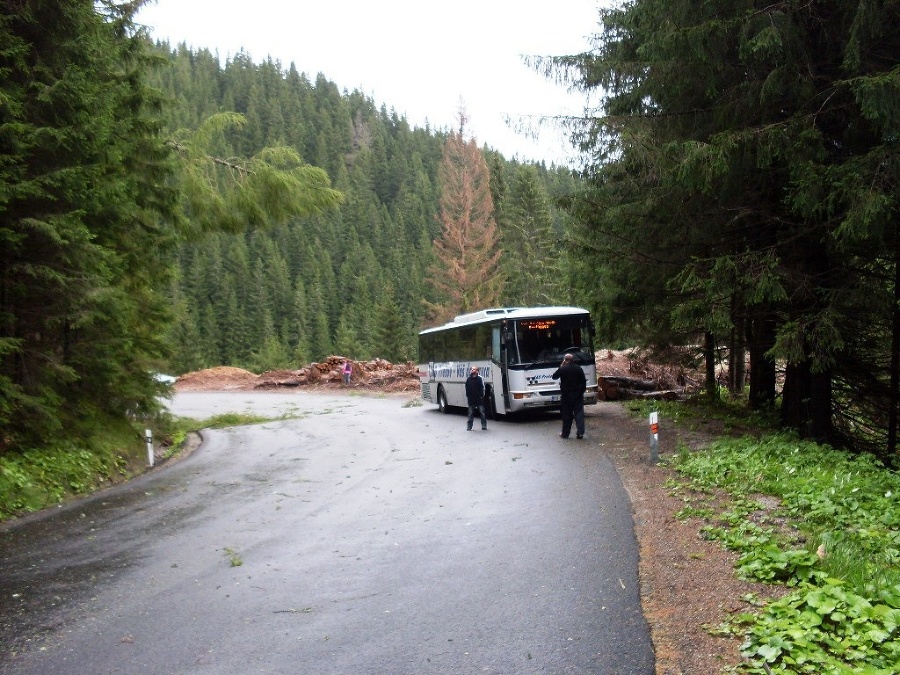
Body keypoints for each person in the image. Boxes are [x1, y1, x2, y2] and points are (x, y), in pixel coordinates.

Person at [552, 353, 586, 439]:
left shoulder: (563, 369)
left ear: (565, 360)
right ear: (573, 360)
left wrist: (561, 366)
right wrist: (581, 391)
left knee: (567, 414)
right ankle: (580, 432)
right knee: (579, 413)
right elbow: (583, 382)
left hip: (566, 395)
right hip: (577, 394)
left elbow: (554, 376)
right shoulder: (578, 369)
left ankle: (565, 433)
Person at [465, 366, 487, 431]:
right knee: (470, 414)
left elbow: (483, 388)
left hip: (479, 399)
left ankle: (484, 425)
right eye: (471, 369)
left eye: (474, 369)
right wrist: (468, 395)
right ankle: (469, 426)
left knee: (482, 413)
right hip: (471, 399)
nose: (472, 370)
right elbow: (466, 387)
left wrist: (482, 396)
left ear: (477, 371)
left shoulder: (480, 378)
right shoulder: (468, 379)